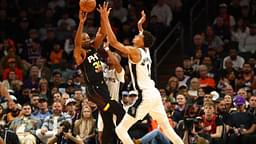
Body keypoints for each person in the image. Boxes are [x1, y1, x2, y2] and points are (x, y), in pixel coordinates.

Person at [99, 3, 184, 144]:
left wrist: (105, 18)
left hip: (145, 96)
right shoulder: (146, 50)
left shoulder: (135, 51)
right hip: (154, 94)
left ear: (142, 41)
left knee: (120, 130)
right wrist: (140, 25)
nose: (136, 36)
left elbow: (113, 42)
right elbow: (144, 37)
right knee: (168, 129)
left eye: (139, 36)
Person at [73, 9, 125, 144]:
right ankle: (123, 138)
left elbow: (102, 32)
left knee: (107, 121)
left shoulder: (93, 48)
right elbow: (77, 43)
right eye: (84, 38)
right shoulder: (80, 54)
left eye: (87, 37)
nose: (87, 39)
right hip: (94, 89)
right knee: (119, 111)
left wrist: (104, 17)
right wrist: (81, 23)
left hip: (101, 87)